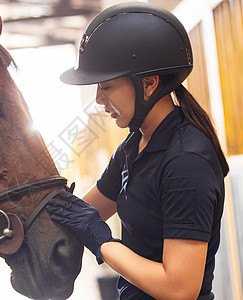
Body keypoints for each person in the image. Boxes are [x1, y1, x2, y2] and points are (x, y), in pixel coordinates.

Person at [46, 2, 229, 300]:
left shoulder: (186, 161)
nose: (98, 99)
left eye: (106, 86)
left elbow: (179, 288)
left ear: (148, 84)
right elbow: (82, 213)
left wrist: (103, 243)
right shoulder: (134, 147)